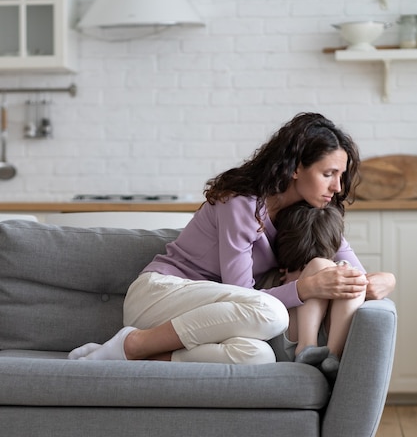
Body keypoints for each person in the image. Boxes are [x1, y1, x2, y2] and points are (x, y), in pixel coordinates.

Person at [68, 111, 395, 366]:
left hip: (219, 315)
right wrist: (305, 288)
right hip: (161, 296)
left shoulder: (309, 213)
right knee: (271, 314)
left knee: (258, 357)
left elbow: (351, 270)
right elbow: (241, 295)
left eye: (341, 175)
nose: (338, 187)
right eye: (328, 174)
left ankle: (139, 358)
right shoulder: (242, 204)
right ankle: (132, 343)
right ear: (296, 168)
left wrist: (385, 280)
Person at [270, 200, 366, 381]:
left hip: (295, 340)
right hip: (296, 341)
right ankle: (325, 352)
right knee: (345, 272)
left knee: (350, 274)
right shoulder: (319, 265)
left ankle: (326, 355)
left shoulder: (276, 273)